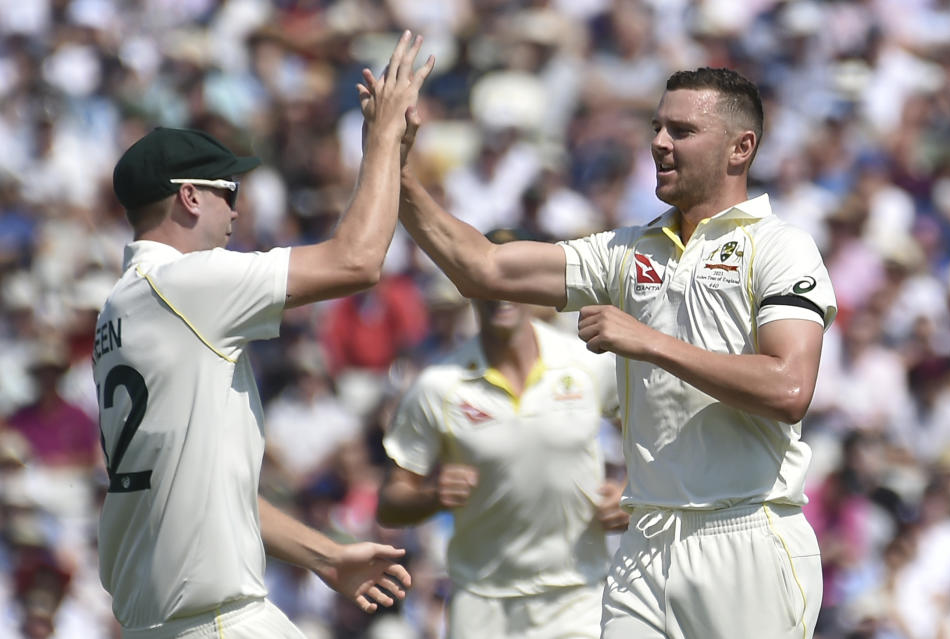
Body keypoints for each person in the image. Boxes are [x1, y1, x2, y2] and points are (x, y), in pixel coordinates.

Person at [392, 68, 837, 638]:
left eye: (681, 130)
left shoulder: (782, 247)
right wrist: (394, 164)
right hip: (645, 540)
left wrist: (648, 341)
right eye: (656, 126)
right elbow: (482, 268)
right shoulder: (626, 250)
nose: (658, 142)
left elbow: (789, 389)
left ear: (740, 148)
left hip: (747, 531)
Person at [93, 31, 434, 638]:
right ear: (190, 197)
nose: (237, 212)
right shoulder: (186, 285)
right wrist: (383, 138)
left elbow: (206, 493)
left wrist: (327, 556)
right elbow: (357, 260)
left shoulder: (118, 309)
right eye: (231, 192)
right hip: (221, 621)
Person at [376, 228, 627, 639]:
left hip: (577, 595)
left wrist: (629, 492)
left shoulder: (583, 362)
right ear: (468, 287)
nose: (499, 292)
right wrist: (432, 495)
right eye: (485, 279)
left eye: (509, 277)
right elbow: (389, 503)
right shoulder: (438, 385)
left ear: (529, 285)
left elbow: (652, 433)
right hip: (482, 603)